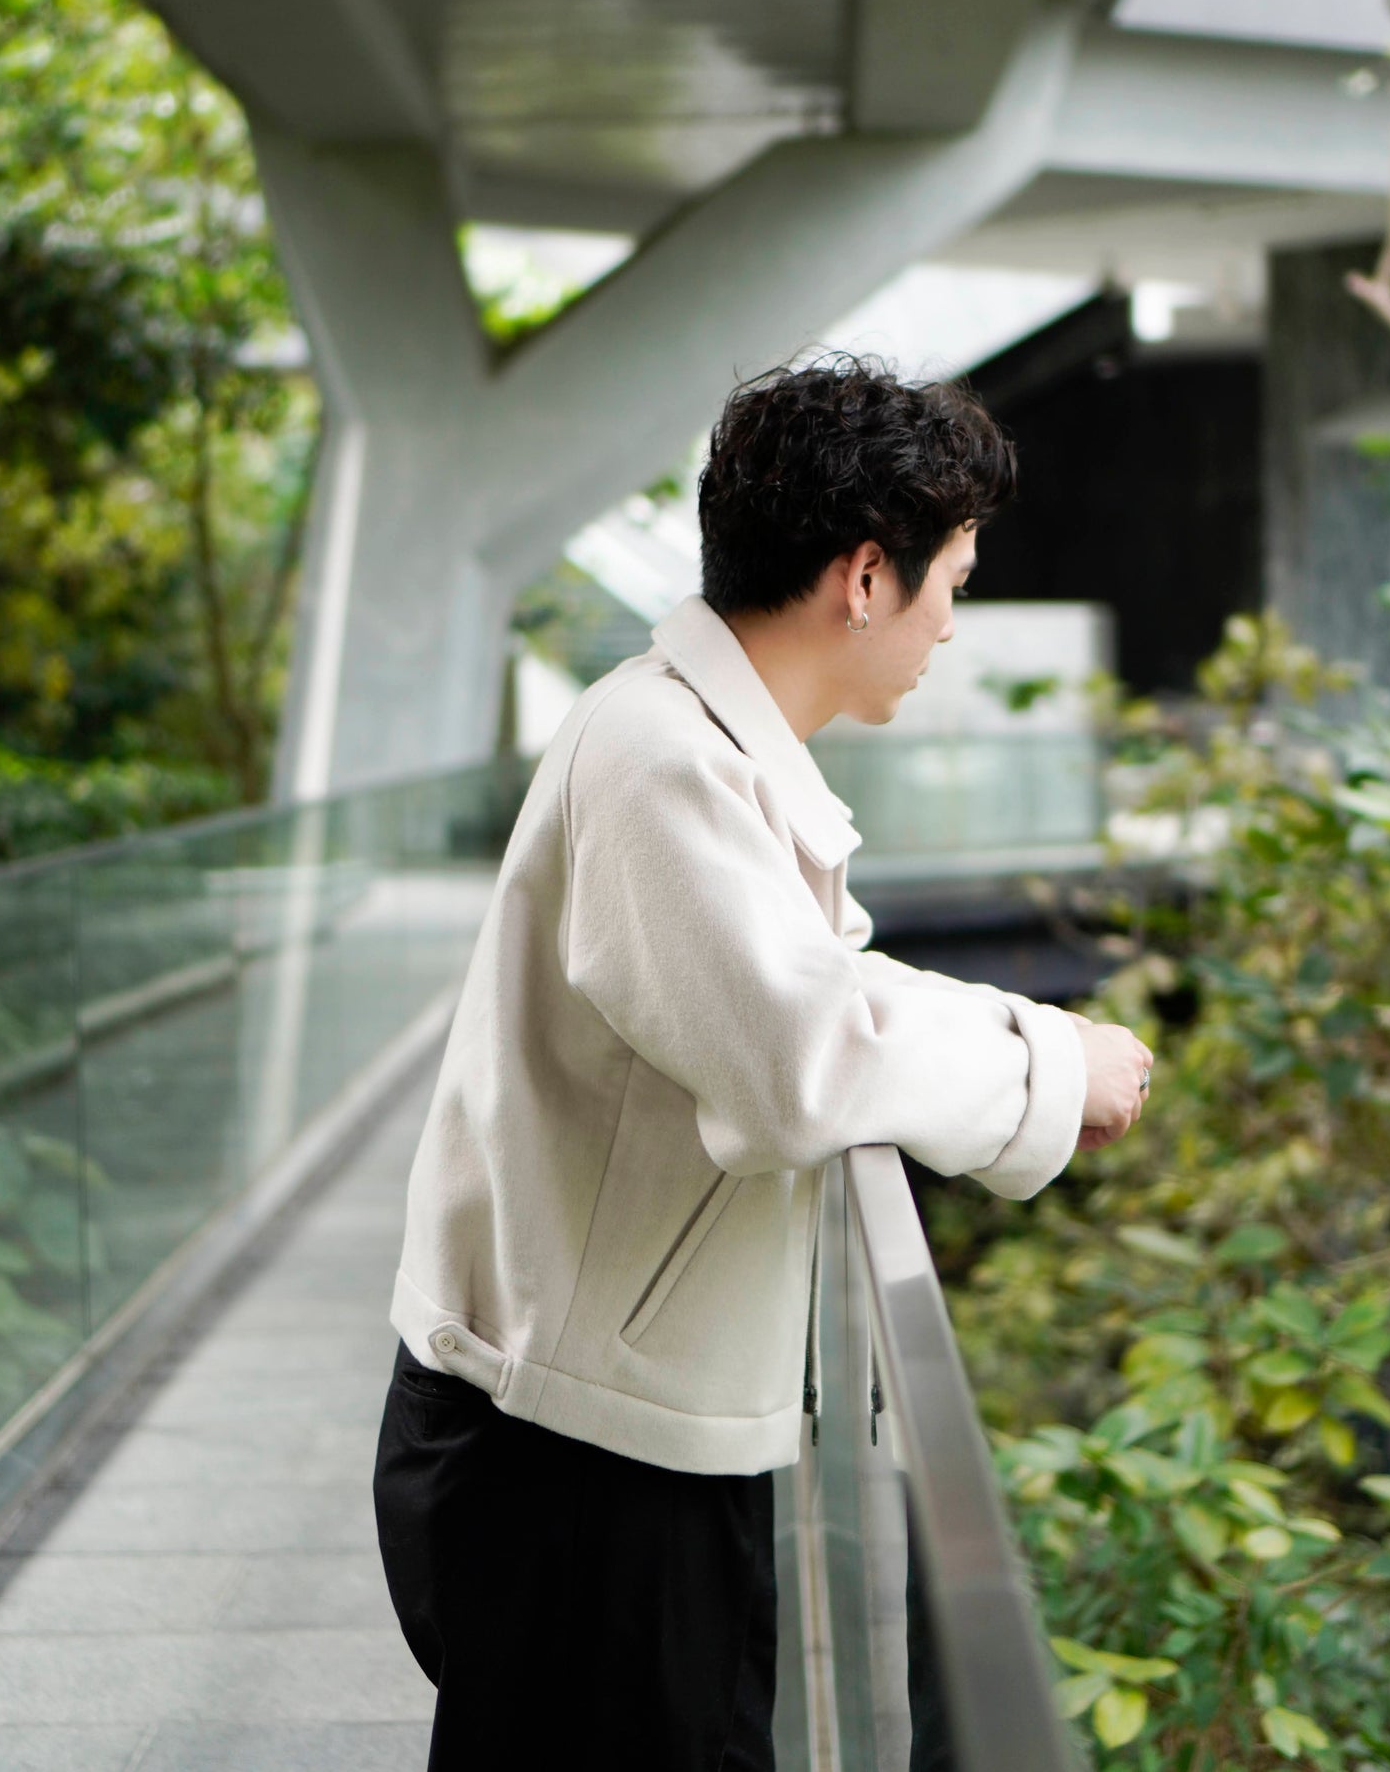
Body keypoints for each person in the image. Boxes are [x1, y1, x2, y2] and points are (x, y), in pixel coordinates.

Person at [373, 354, 1153, 1771]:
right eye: (951, 583)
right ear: (866, 577)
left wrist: (1022, 1048)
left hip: (606, 1418)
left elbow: (807, 991)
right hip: (569, 1450)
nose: (947, 627)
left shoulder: (684, 738)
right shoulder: (658, 758)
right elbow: (799, 1049)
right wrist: (1049, 1065)